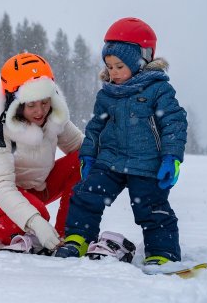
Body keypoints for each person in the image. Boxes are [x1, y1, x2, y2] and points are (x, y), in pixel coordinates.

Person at [54, 17, 187, 268]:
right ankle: (77, 238)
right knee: (85, 194)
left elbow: (174, 123)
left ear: (141, 62)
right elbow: (95, 127)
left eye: (119, 66)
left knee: (152, 208)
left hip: (147, 164)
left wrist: (172, 157)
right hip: (110, 160)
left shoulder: (158, 90)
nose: (113, 72)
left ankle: (162, 253)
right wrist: (88, 154)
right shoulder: (107, 94)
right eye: (109, 66)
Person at [0, 52, 84, 253]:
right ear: (15, 103)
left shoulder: (53, 114)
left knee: (83, 160)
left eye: (45, 102)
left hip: (34, 186)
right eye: (31, 105)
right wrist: (36, 222)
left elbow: (82, 149)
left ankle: (64, 235)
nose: (40, 111)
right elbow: (1, 185)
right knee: (37, 215)